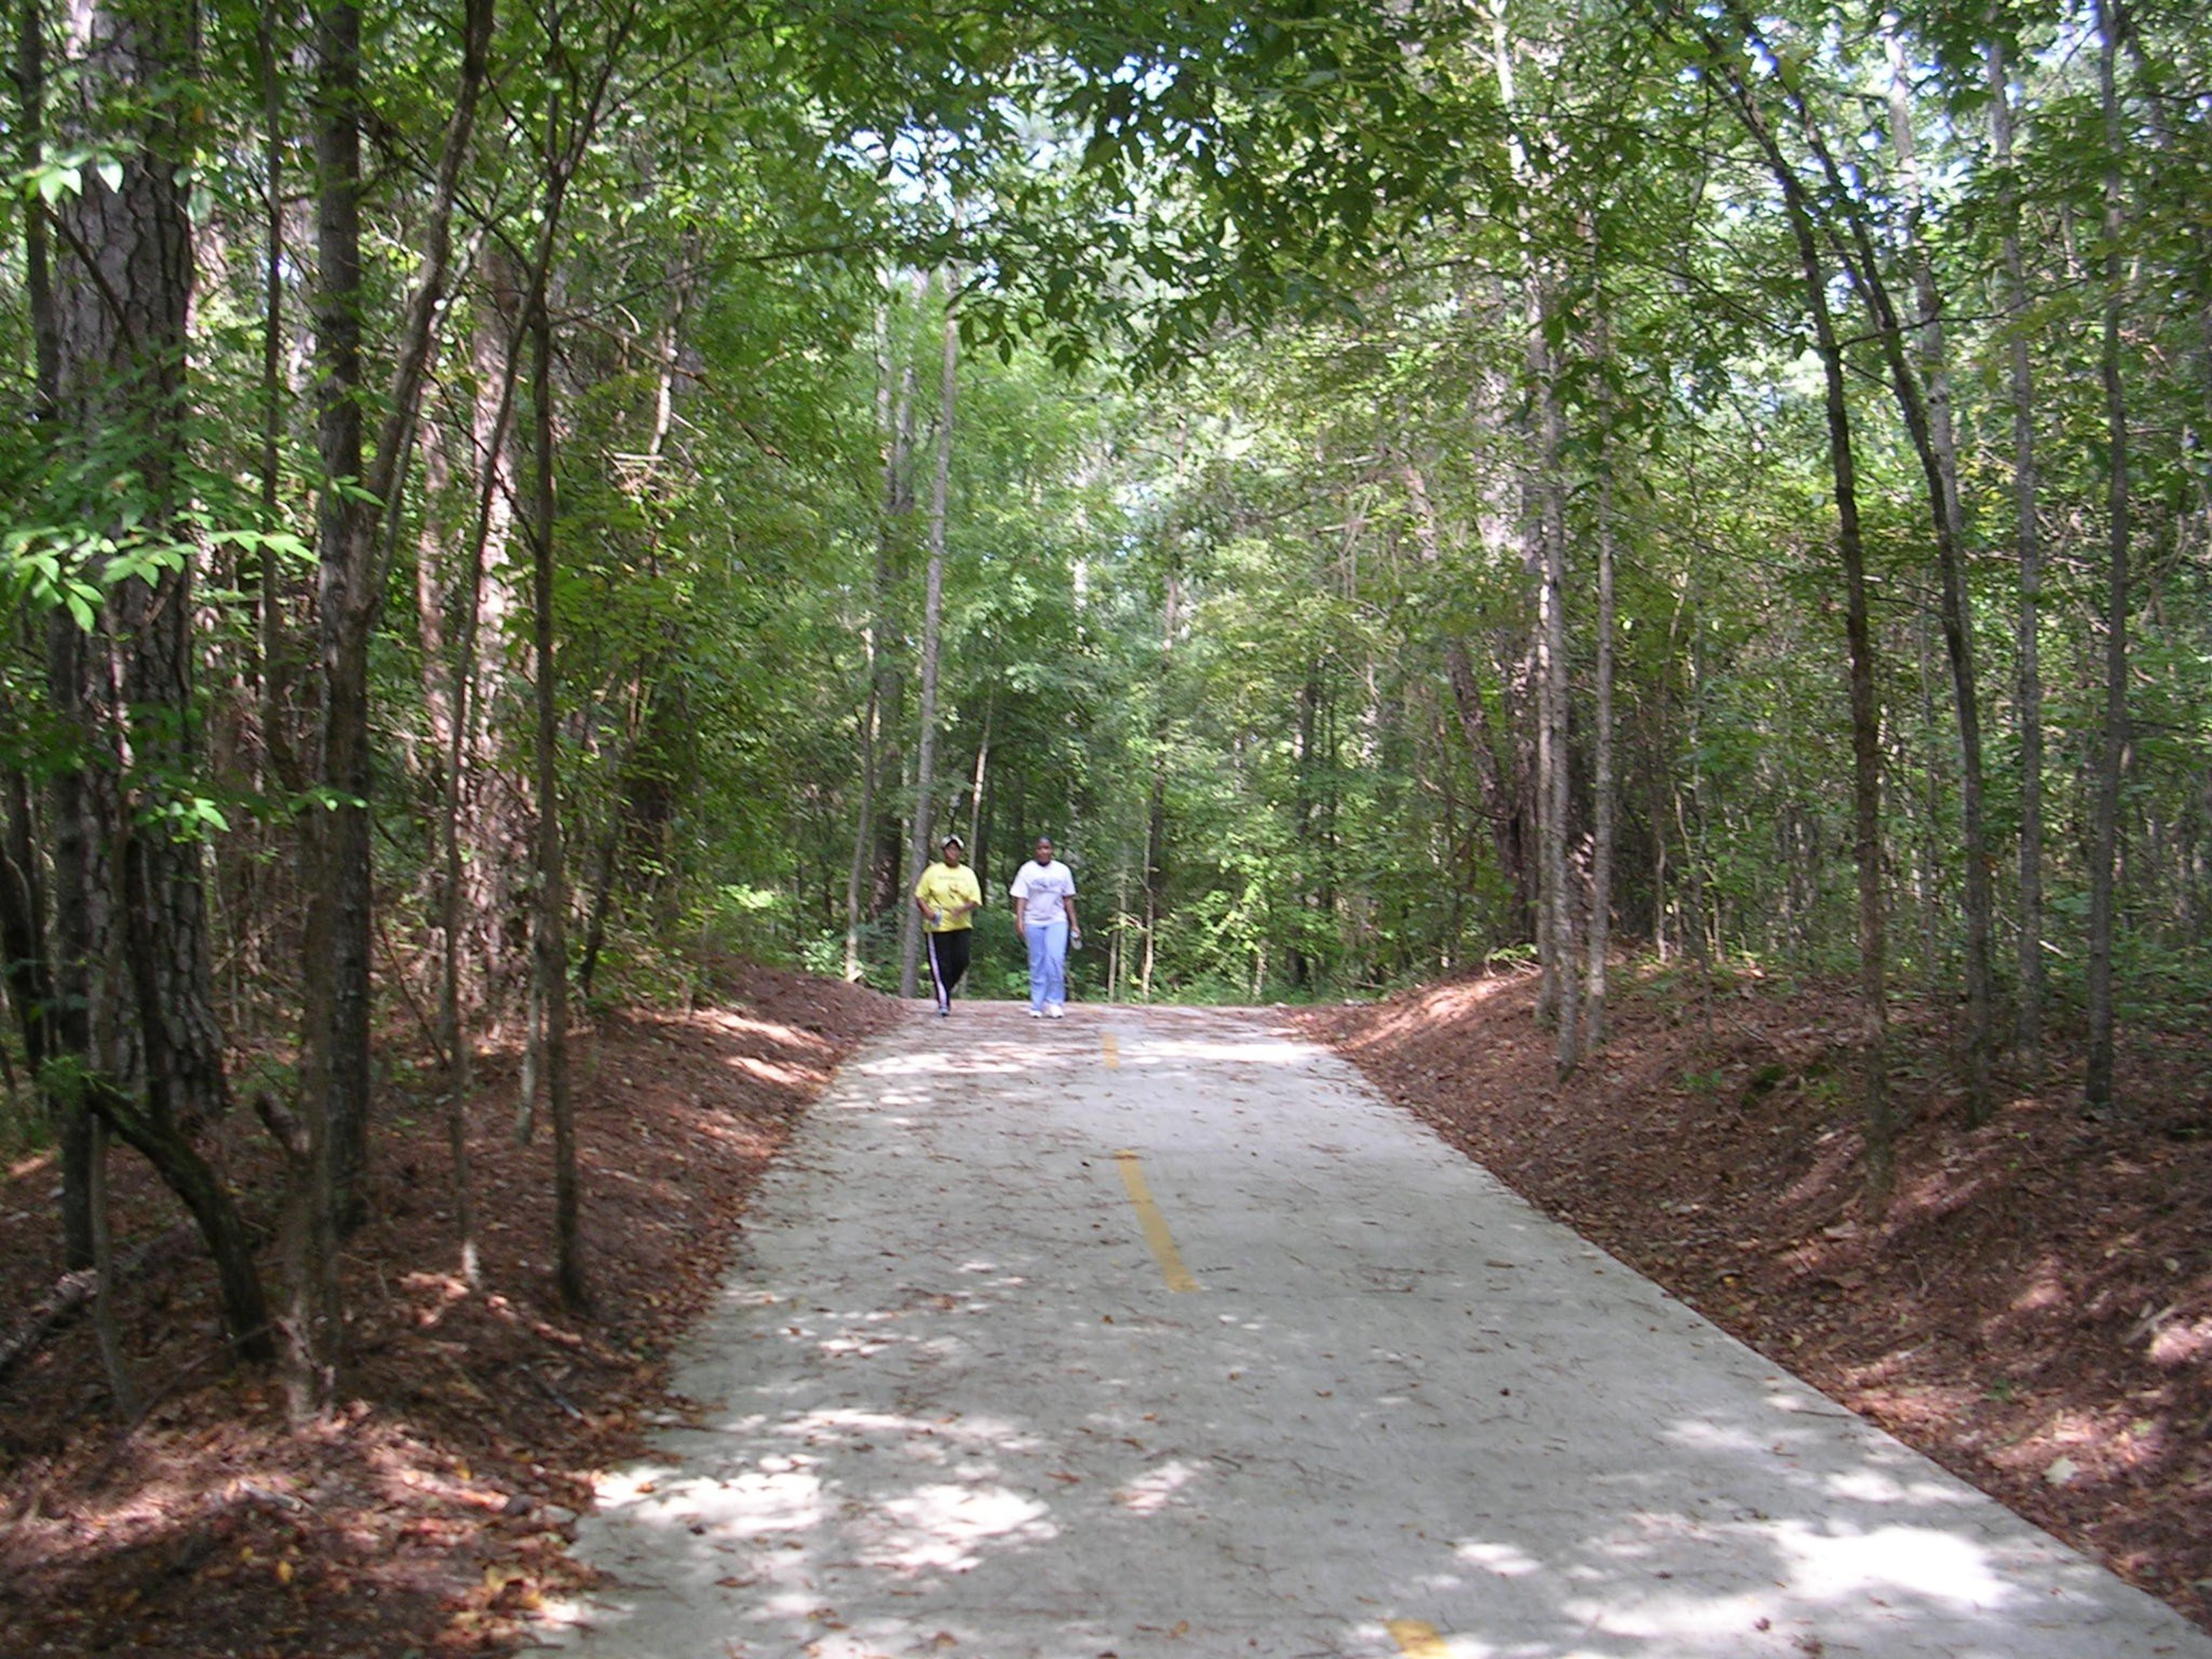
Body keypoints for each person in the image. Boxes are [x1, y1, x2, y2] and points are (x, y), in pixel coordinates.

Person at [1009, 834, 1080, 1018]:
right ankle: (1038, 1004)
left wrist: (1075, 925)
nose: (1044, 851)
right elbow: (1021, 897)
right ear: (1036, 851)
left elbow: (1068, 899)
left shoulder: (1062, 871)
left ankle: (1055, 1002)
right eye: (1040, 848)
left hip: (1057, 920)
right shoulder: (1027, 871)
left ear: (1052, 851)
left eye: (1047, 848)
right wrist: (1020, 920)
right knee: (1037, 962)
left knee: (1055, 959)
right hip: (1034, 921)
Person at [912, 835, 983, 1016]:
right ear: (944, 852)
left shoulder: (967, 873)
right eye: (949, 849)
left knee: (962, 960)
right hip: (938, 926)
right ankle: (944, 1003)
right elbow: (920, 896)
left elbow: (975, 899)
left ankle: (945, 988)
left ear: (960, 852)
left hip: (962, 924)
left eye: (956, 849)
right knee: (942, 964)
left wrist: (962, 909)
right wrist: (928, 912)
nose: (953, 853)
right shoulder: (933, 872)